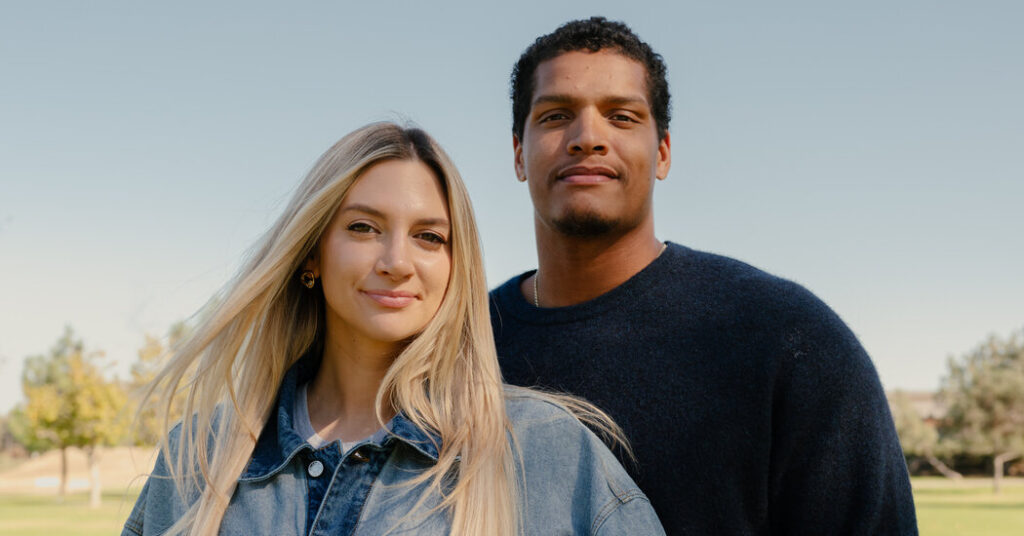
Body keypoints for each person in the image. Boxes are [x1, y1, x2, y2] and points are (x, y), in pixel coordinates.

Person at [123, 122, 665, 536]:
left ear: (456, 266)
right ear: (312, 253)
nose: (397, 261)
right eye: (363, 228)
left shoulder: (544, 450)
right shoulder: (200, 455)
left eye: (430, 237)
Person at [490, 17, 918, 535]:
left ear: (663, 152)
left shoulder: (787, 339)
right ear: (518, 153)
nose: (588, 137)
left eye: (622, 116)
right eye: (557, 115)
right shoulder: (457, 346)